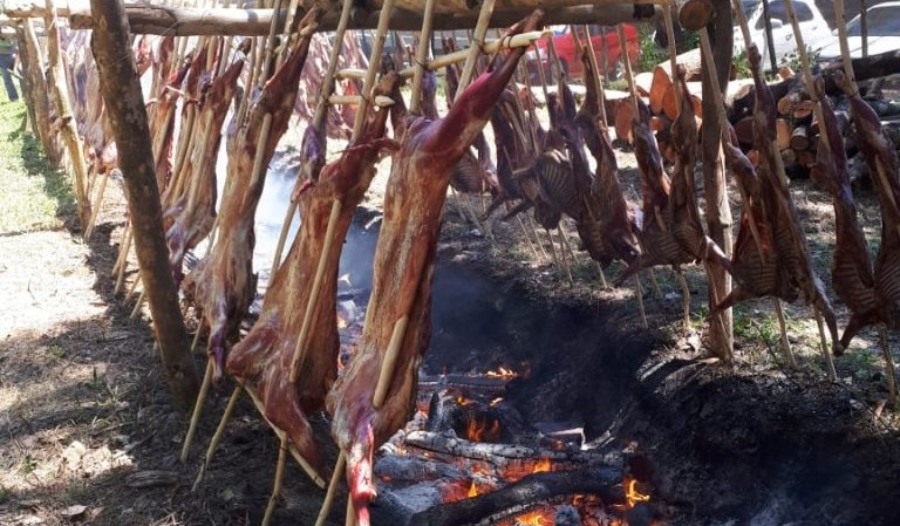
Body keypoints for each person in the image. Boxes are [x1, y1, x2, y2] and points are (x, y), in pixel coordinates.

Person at [0, 34, 19, 103]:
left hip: (14, 56)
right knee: (7, 78)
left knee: (23, 75)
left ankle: (27, 95)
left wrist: (15, 67)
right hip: (2, 58)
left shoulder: (10, 32)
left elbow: (17, 50)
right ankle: (14, 98)